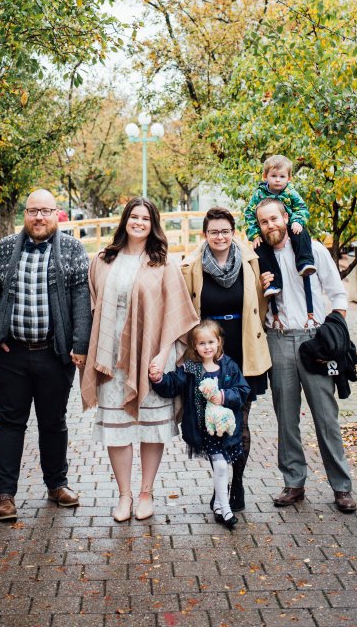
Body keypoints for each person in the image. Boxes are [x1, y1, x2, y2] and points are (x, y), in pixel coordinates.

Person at [81, 197, 198, 523]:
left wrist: (163, 356)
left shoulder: (164, 263)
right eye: (134, 216)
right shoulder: (105, 259)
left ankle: (146, 492)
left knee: (150, 429)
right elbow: (91, 305)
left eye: (146, 218)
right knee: (116, 429)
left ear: (153, 224)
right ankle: (124, 495)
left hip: (152, 358)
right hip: (111, 358)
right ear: (125, 220)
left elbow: (178, 316)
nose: (139, 222)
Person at [0, 188, 91, 521]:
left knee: (53, 423)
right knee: (10, 422)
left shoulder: (71, 249)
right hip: (12, 354)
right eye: (32, 211)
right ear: (24, 215)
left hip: (54, 354)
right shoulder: (6, 249)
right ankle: (5, 494)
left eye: (45, 211)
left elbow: (82, 301)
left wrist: (79, 344)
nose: (38, 217)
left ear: (56, 214)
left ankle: (57, 484)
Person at [255, 197, 357, 513]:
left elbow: (338, 293)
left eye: (274, 218)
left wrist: (334, 329)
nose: (270, 225)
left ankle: (342, 488)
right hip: (278, 339)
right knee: (286, 418)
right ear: (258, 226)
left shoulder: (312, 250)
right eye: (264, 221)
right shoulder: (257, 257)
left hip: (314, 342)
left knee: (326, 417)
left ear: (286, 218)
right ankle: (294, 483)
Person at [181, 207, 271, 512]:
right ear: (205, 235)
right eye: (213, 231)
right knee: (214, 424)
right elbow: (186, 312)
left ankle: (238, 482)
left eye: (225, 231)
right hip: (209, 354)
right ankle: (221, 486)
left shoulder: (249, 262)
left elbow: (261, 301)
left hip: (245, 351)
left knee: (240, 422)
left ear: (234, 233)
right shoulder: (192, 265)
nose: (220, 237)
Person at [148, 320, 250, 530]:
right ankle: (225, 508)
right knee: (221, 466)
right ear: (195, 346)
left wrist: (222, 396)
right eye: (202, 343)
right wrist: (158, 379)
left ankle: (220, 508)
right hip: (204, 430)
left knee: (222, 467)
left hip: (226, 428)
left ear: (219, 342)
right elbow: (173, 385)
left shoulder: (229, 366)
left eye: (211, 342)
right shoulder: (191, 369)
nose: (207, 347)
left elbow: (242, 391)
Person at [244, 155, 316, 299]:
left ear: (288, 178)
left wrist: (297, 220)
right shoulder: (259, 194)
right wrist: (255, 234)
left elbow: (301, 208)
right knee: (259, 247)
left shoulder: (291, 193)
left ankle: (304, 263)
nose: (278, 180)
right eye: (273, 176)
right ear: (265, 176)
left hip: (289, 225)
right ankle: (273, 283)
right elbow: (249, 214)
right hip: (269, 232)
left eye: (282, 176)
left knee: (301, 233)